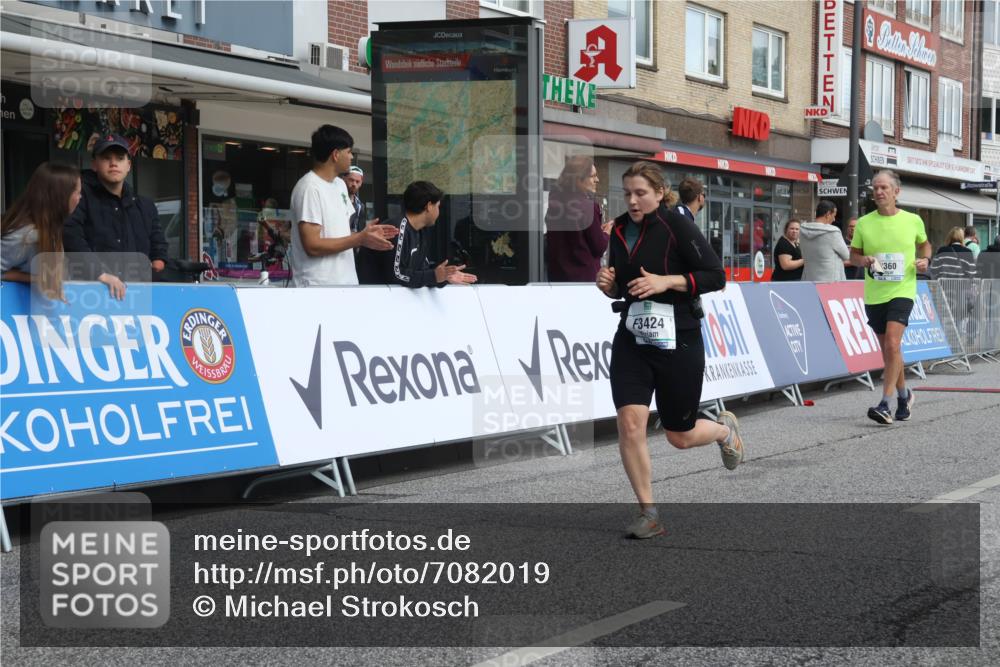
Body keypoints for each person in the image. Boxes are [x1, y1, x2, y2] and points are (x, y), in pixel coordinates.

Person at [595, 161, 743, 539]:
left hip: (680, 337)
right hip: (633, 337)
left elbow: (715, 276)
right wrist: (609, 284)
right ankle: (649, 513)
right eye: (627, 193)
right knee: (630, 423)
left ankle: (724, 432)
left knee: (680, 434)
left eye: (641, 193)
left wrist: (668, 281)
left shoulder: (676, 225)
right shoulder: (619, 231)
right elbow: (625, 284)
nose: (632, 200)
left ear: (659, 193)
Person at [849, 170, 932, 425]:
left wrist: (925, 260)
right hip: (875, 294)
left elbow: (925, 245)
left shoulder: (913, 220)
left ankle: (884, 404)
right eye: (875, 188)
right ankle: (904, 396)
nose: (879, 192)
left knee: (893, 345)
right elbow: (854, 256)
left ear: (896, 192)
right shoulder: (864, 223)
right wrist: (864, 260)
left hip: (903, 290)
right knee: (890, 351)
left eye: (884, 187)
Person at [288, 125, 398, 287]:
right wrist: (360, 238)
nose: (351, 156)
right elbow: (312, 246)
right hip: (318, 285)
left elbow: (341, 232)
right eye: (349, 151)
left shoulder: (340, 185)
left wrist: (367, 235)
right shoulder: (309, 188)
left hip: (346, 282)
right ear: (336, 154)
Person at [0, 162, 126, 300]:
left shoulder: (51, 227)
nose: (80, 198)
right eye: (77, 192)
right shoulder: (27, 235)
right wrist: (35, 278)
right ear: (60, 196)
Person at [62, 133, 168, 292]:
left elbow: (158, 246)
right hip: (92, 293)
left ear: (129, 166)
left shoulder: (146, 206)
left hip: (138, 295)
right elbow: (71, 237)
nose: (113, 163)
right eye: (106, 158)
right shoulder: (78, 198)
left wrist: (158, 263)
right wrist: (100, 273)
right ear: (94, 164)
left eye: (119, 158)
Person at [379, 181, 477, 288]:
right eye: (438, 206)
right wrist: (434, 276)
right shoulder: (396, 229)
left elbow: (422, 272)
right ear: (429, 206)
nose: (439, 211)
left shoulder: (420, 231)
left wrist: (444, 277)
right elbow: (396, 275)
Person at [545, 155, 609, 282]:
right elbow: (599, 247)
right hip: (585, 278)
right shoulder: (588, 207)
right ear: (579, 179)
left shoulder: (554, 204)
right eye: (593, 176)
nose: (597, 179)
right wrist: (607, 233)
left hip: (557, 277)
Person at [800, 200, 850, 282]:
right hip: (830, 282)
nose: (834, 219)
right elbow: (846, 256)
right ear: (827, 214)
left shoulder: (803, 230)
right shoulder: (833, 232)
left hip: (809, 279)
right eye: (834, 216)